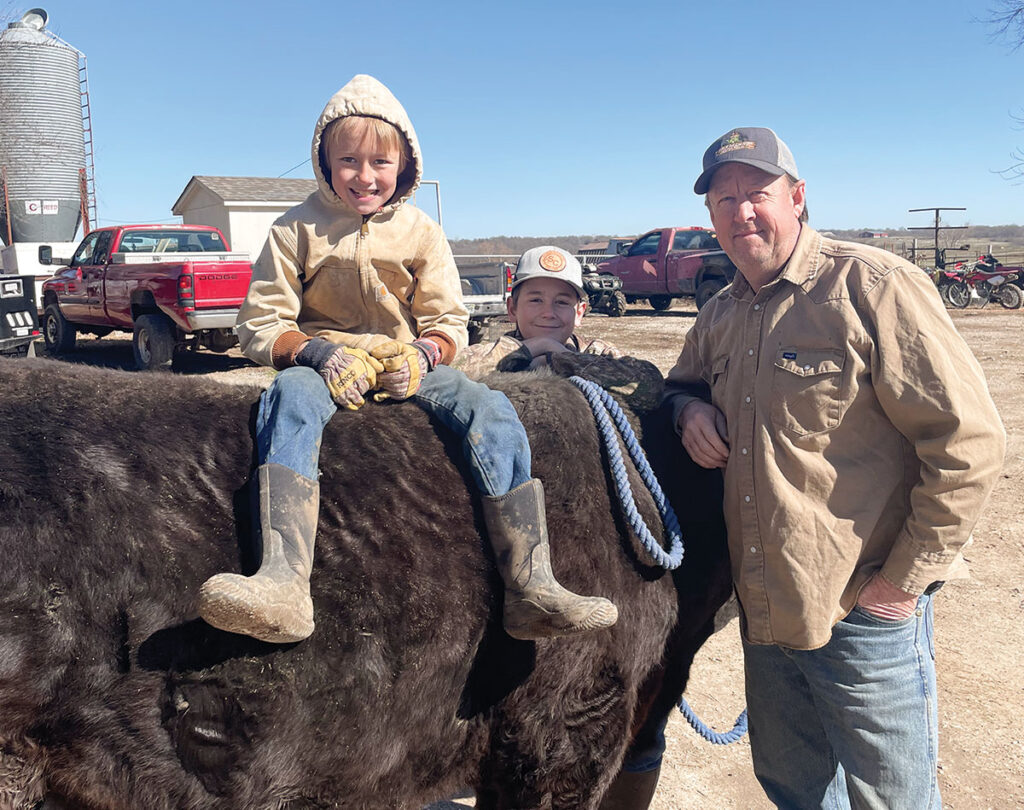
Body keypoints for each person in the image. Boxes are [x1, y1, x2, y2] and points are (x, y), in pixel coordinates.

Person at [196, 74, 616, 645]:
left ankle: (531, 584)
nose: (364, 176)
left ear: (404, 165)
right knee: (287, 400)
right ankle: (283, 583)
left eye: (379, 162)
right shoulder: (293, 228)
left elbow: (448, 321)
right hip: (327, 364)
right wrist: (315, 353)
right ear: (322, 160)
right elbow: (262, 323)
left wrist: (424, 354)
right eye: (347, 160)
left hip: (409, 364)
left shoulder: (422, 230)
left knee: (490, 408)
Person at [663, 127, 1005, 809]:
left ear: (797, 196)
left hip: (861, 609)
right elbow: (681, 384)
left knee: (891, 799)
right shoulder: (722, 311)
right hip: (766, 608)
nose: (740, 213)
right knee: (796, 789)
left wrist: (899, 587)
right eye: (723, 200)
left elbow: (968, 443)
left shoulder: (874, 286)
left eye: (756, 193)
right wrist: (685, 412)